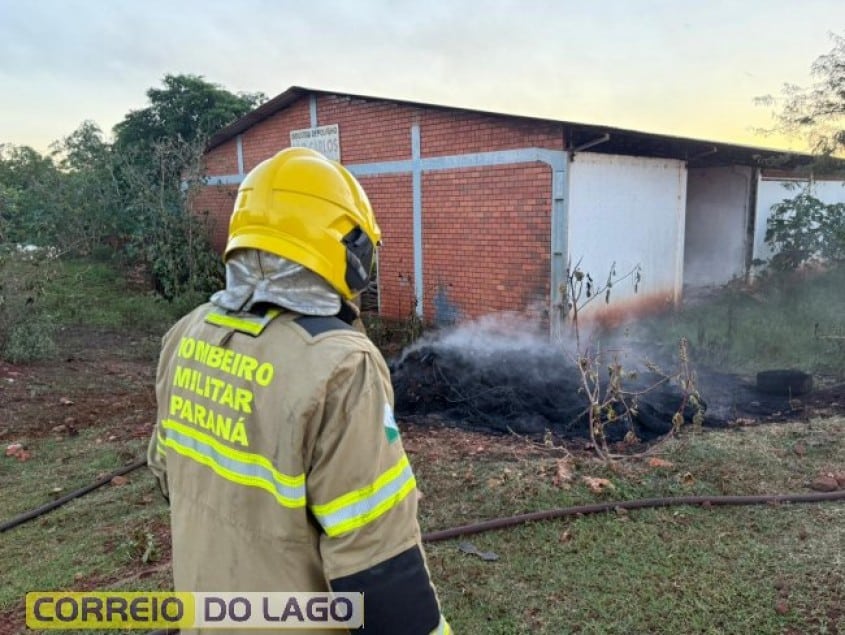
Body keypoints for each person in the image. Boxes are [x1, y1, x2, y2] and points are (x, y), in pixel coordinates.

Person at [147, 147, 451, 634]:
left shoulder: (186, 333)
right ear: (344, 249)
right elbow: (378, 564)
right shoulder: (341, 366)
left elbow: (168, 476)